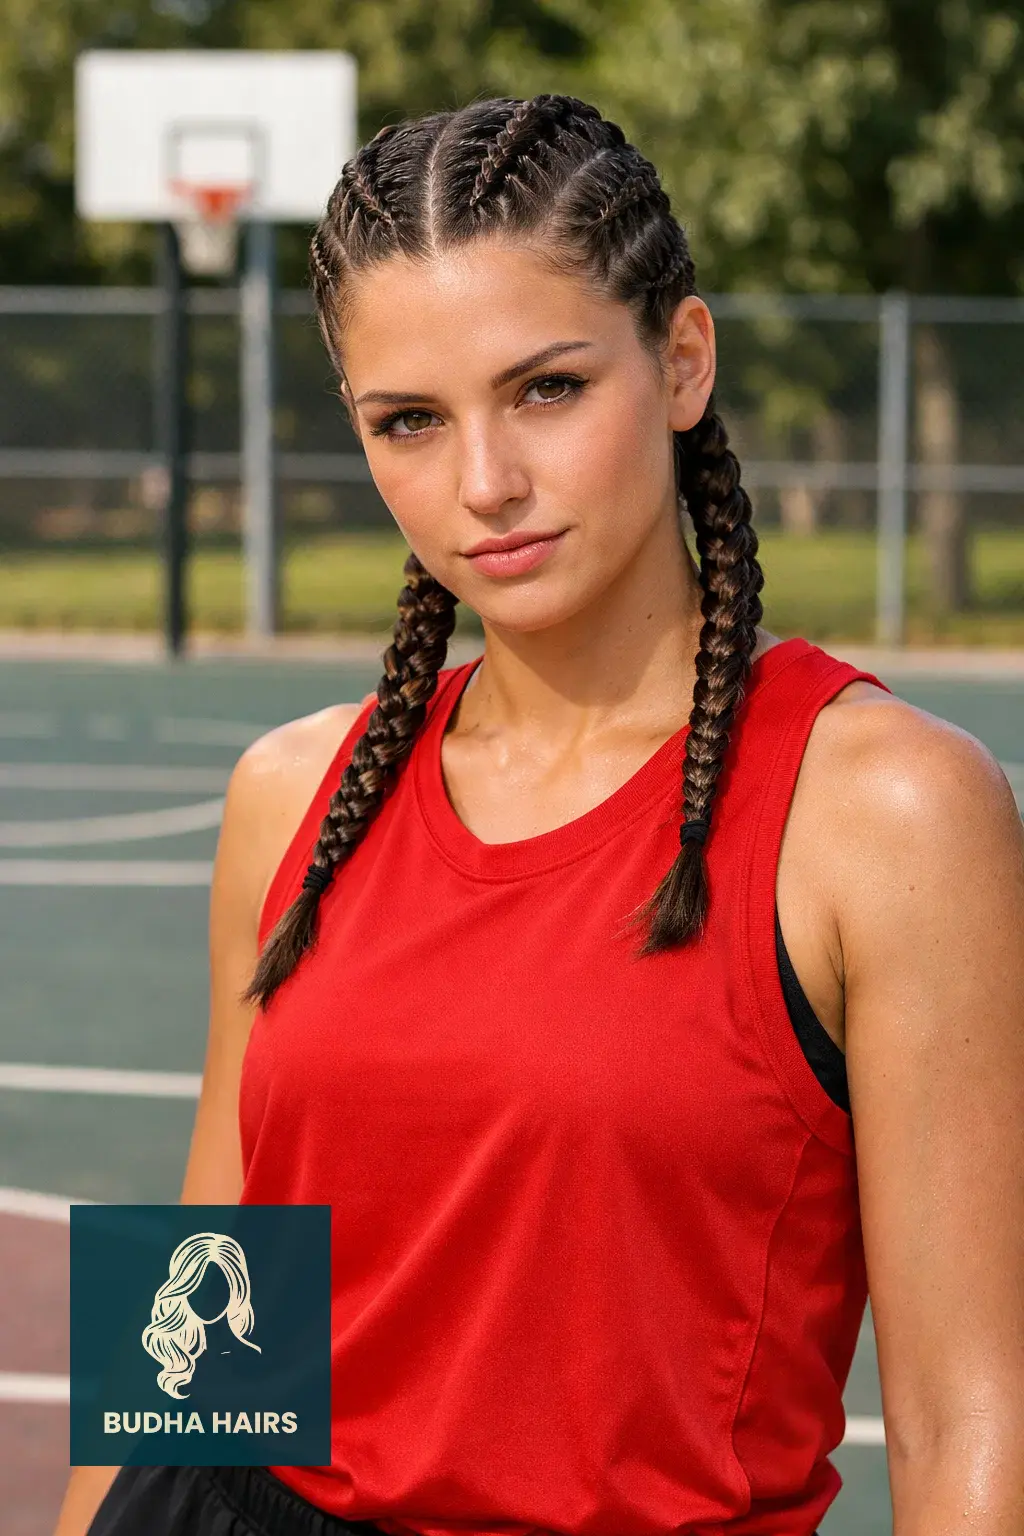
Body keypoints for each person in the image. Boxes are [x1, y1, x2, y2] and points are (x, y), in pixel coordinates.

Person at [57, 93, 1024, 1536]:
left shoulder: (886, 810)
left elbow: (971, 1421)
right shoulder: (295, 796)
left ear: (682, 360)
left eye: (548, 389)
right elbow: (199, 1322)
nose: (485, 484)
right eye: (410, 422)